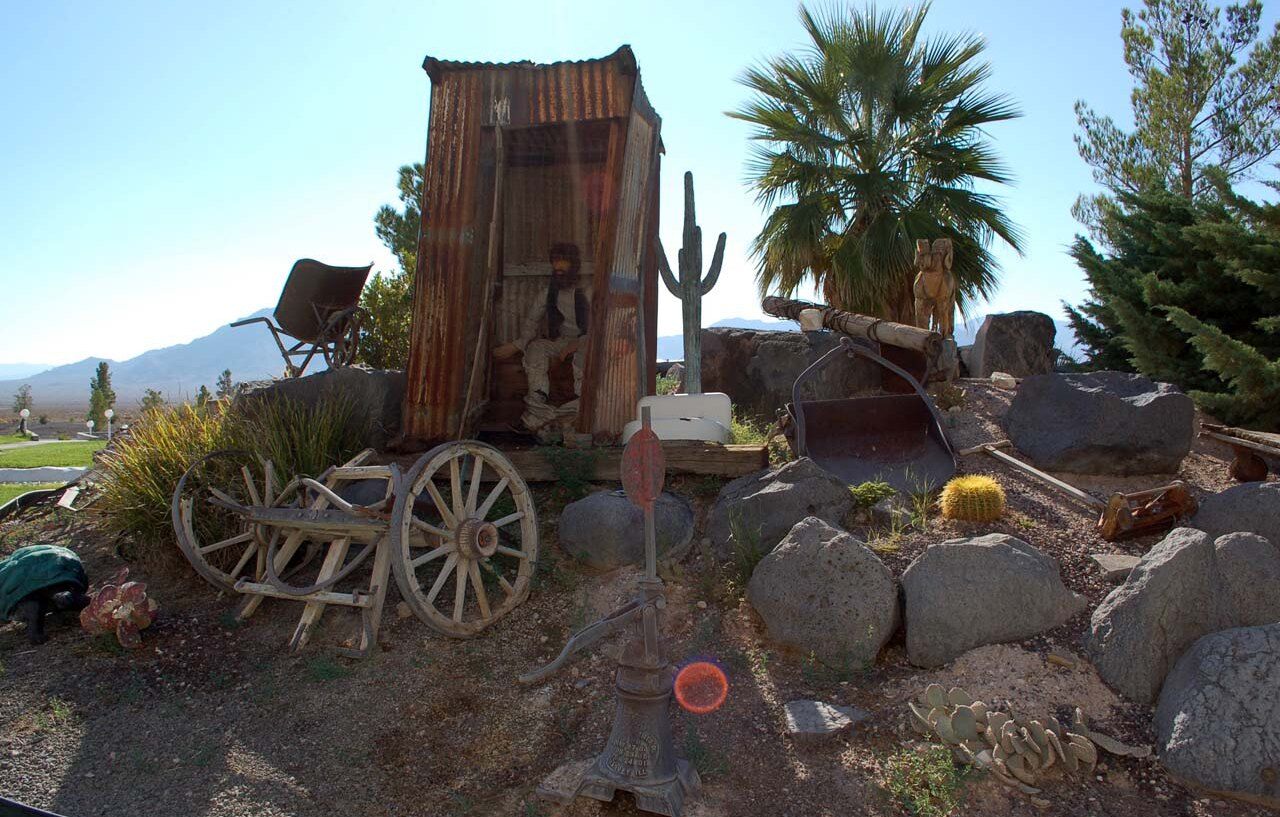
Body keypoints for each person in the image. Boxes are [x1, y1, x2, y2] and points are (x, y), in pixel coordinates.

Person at [492, 243, 590, 434]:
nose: (558, 268)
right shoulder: (549, 293)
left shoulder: (587, 291)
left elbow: (600, 327)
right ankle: (538, 404)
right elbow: (531, 321)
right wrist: (517, 344)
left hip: (586, 341)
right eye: (555, 264)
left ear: (574, 265)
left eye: (563, 264)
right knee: (536, 348)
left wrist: (577, 344)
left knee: (584, 356)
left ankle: (578, 407)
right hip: (561, 340)